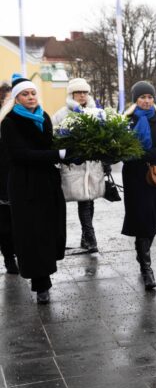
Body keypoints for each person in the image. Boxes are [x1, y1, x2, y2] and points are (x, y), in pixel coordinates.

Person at [0, 74, 67, 303]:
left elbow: (51, 144)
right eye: (25, 94)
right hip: (24, 185)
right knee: (32, 234)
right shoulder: (9, 123)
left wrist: (71, 150)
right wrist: (57, 155)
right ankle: (41, 286)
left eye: (33, 93)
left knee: (49, 231)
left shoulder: (44, 117)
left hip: (47, 182)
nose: (30, 97)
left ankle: (46, 275)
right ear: (16, 99)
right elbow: (21, 155)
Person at [122, 81, 156, 290]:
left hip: (155, 174)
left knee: (153, 217)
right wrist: (133, 156)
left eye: (150, 97)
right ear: (136, 99)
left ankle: (142, 254)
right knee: (142, 218)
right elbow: (122, 148)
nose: (147, 101)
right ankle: (147, 268)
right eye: (143, 97)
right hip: (134, 176)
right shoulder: (126, 121)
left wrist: (140, 155)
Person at [52, 78, 103, 253]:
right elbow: (55, 138)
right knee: (84, 201)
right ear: (71, 94)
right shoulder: (62, 114)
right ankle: (90, 238)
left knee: (89, 201)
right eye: (78, 92)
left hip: (93, 165)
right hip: (74, 166)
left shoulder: (96, 112)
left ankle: (85, 237)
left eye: (85, 92)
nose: (82, 95)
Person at [0, 82, 18, 274]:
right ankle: (9, 257)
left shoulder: (18, 117)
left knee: (18, 220)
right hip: (2, 177)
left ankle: (18, 251)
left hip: (17, 173)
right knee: (4, 223)